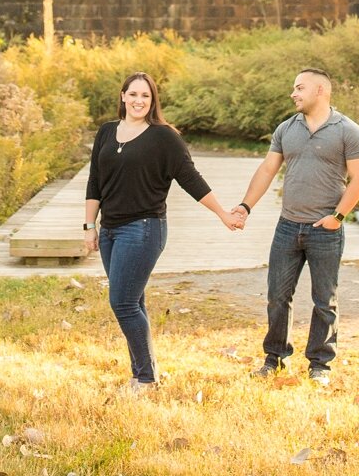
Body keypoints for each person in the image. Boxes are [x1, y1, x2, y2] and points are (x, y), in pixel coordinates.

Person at [83, 71, 242, 389]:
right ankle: (143, 372)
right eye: (133, 94)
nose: (138, 100)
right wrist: (89, 226)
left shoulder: (164, 137)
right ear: (123, 96)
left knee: (123, 303)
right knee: (133, 301)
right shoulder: (106, 132)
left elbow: (190, 177)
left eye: (146, 96)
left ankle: (145, 379)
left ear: (152, 101)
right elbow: (95, 181)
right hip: (110, 231)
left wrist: (223, 213)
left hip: (143, 228)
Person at [228, 67, 359, 385]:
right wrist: (246, 205)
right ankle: (273, 359)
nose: (293, 93)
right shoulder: (286, 129)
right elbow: (267, 170)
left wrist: (338, 217)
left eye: (300, 88)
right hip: (288, 227)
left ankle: (320, 365)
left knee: (325, 300)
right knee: (277, 296)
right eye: (293, 88)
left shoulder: (348, 130)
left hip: (326, 230)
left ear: (321, 90)